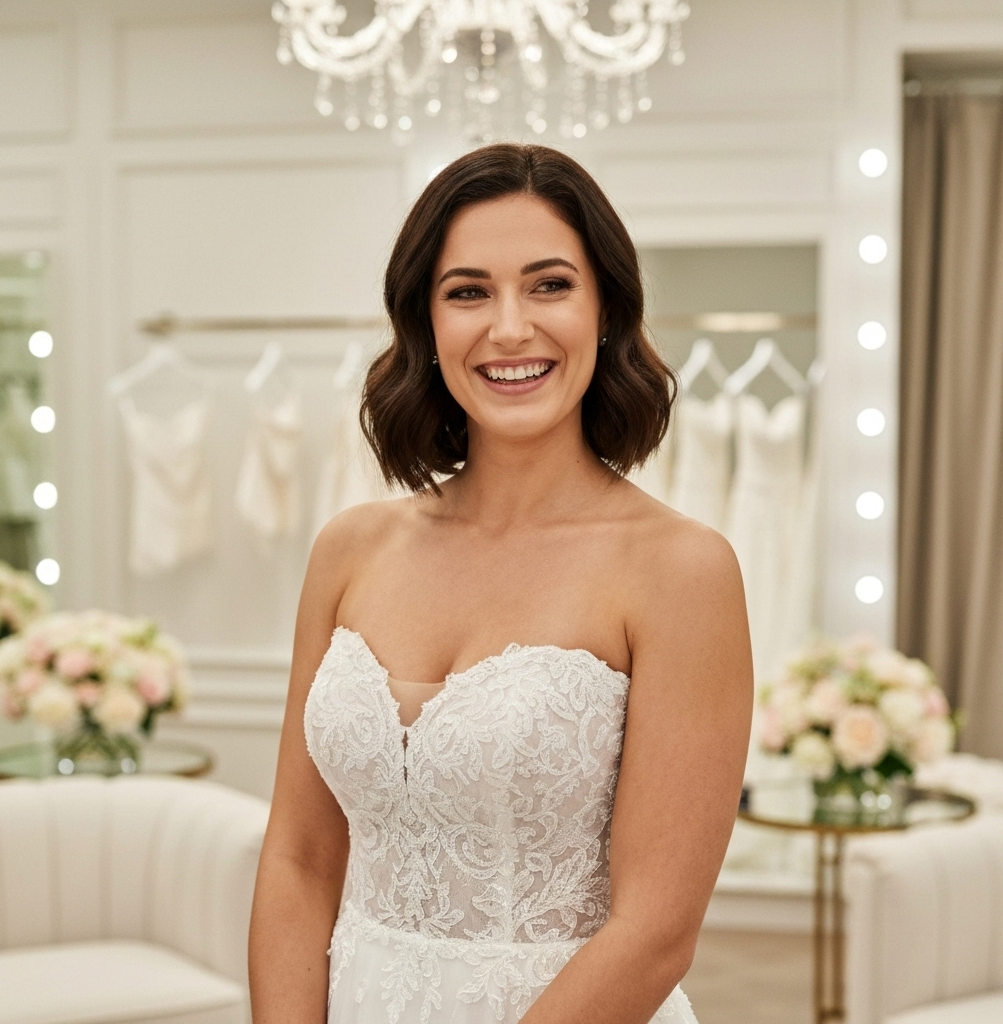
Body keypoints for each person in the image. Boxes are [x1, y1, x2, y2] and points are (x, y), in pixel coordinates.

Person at [249, 143, 753, 1024]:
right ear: (426, 324)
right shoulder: (350, 549)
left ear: (605, 312)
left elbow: (656, 930)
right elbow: (299, 858)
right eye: (468, 291)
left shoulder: (679, 569)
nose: (509, 328)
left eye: (550, 284)